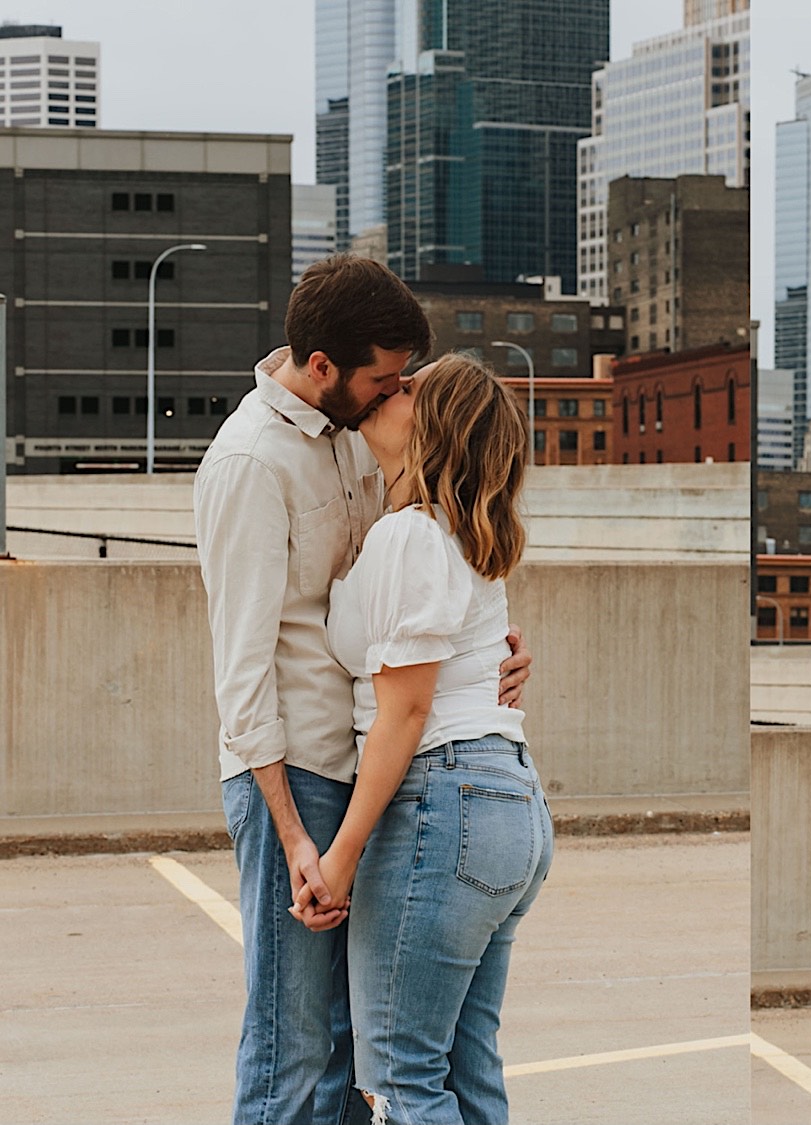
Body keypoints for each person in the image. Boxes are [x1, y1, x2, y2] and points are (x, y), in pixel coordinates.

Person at [193, 255, 532, 1125]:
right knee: (293, 1045)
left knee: (358, 1054)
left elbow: (423, 584)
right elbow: (240, 674)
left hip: (380, 779)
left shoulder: (359, 433)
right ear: (322, 368)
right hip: (299, 776)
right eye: (385, 380)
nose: (396, 393)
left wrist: (485, 650)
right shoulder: (250, 463)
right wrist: (299, 834)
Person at [293, 353, 551, 1125]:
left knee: (402, 1080)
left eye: (409, 390)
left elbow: (405, 714)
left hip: (446, 805)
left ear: (433, 428)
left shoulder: (412, 535)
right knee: (468, 1074)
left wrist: (339, 856)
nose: (389, 392)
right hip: (508, 804)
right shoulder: (465, 539)